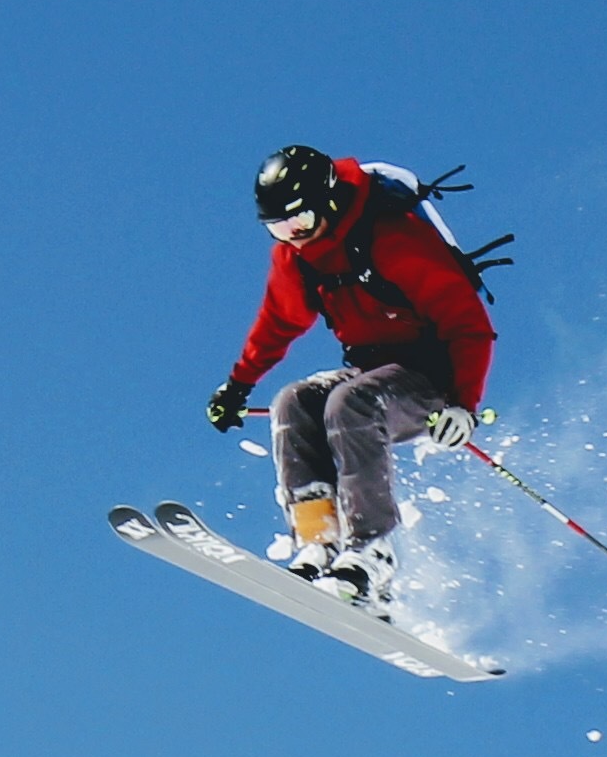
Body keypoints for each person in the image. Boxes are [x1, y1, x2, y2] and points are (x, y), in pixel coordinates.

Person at [203, 144, 496, 607]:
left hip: (429, 378)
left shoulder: (391, 239)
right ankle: (318, 538)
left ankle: (372, 549)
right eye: (279, 229)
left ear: (330, 201)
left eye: (298, 222)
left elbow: (468, 325)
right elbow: (278, 323)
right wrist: (238, 385)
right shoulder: (297, 258)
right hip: (369, 369)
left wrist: (463, 405)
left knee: (350, 403)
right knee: (294, 402)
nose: (293, 236)